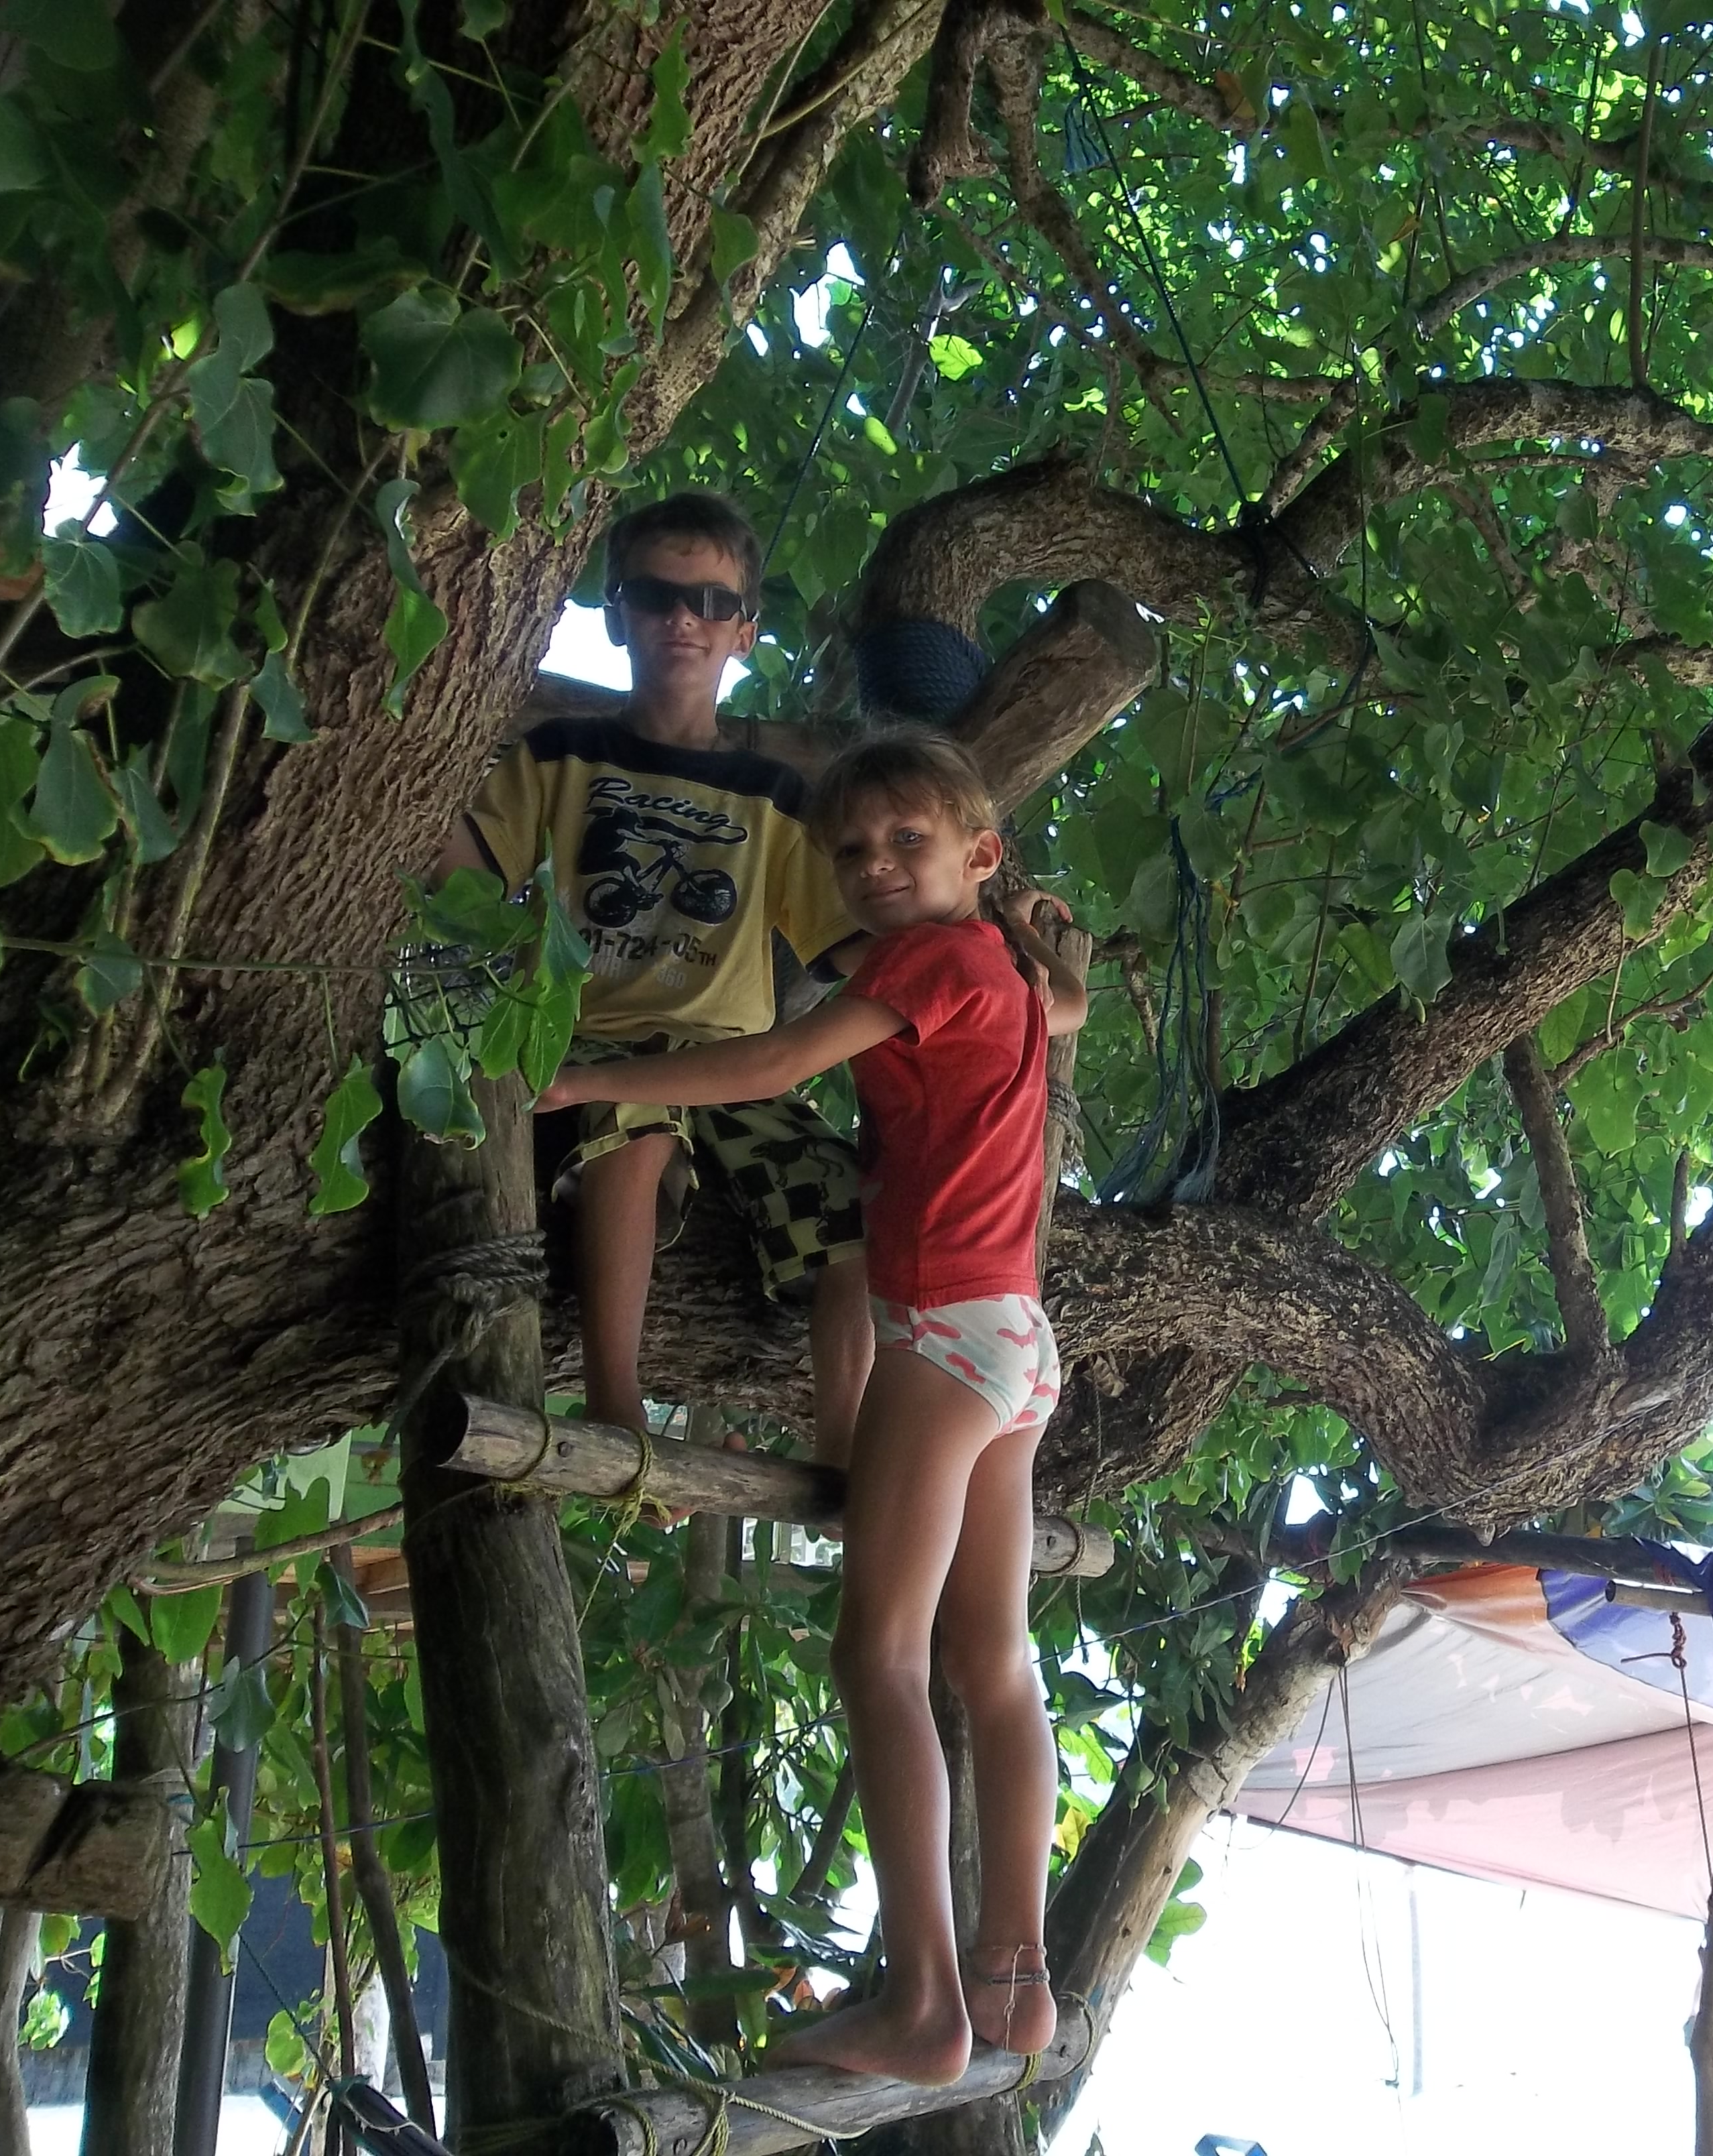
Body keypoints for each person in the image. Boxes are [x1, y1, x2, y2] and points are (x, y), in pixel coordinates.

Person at [540, 729, 1087, 2086]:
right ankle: (1016, 1981)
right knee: (992, 1661)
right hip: (1017, 1340)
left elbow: (770, 1065)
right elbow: (1064, 1008)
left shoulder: (924, 962)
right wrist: (1050, 947)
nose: (874, 865)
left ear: (979, 851)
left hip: (944, 1337)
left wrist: (590, 1078)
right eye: (850, 852)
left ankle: (924, 2004)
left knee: (879, 1660)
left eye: (908, 841)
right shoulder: (1002, 969)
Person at [430, 492, 876, 1463]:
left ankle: (844, 1445)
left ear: (744, 632)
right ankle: (615, 1400)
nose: (684, 617)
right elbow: (463, 877)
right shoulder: (559, 757)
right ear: (615, 614)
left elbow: (860, 950)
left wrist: (986, 946)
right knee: (632, 1126)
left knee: (855, 1204)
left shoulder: (776, 799)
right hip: (583, 1042)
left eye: (712, 602)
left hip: (728, 1064)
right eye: (657, 595)